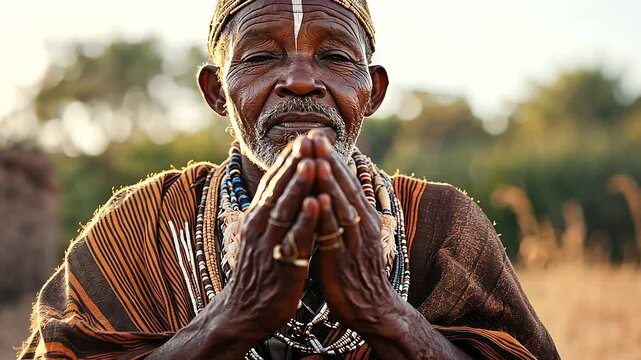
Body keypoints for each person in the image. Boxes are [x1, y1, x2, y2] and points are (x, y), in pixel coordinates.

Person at [19, 0, 559, 359]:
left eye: (333, 57)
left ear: (372, 90)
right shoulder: (141, 228)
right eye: (259, 57)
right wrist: (230, 318)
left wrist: (382, 309)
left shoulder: (441, 227)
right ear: (214, 91)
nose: (301, 81)